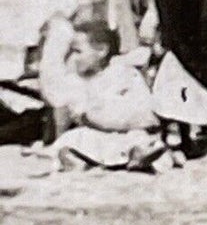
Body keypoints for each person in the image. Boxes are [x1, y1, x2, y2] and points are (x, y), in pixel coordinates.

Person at [38, 15, 164, 171]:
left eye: (78, 51)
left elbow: (144, 109)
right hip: (97, 135)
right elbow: (59, 101)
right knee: (74, 138)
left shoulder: (123, 73)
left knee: (139, 138)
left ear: (102, 51)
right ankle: (78, 160)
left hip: (126, 131)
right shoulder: (79, 81)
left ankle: (136, 155)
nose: (73, 58)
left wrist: (103, 114)